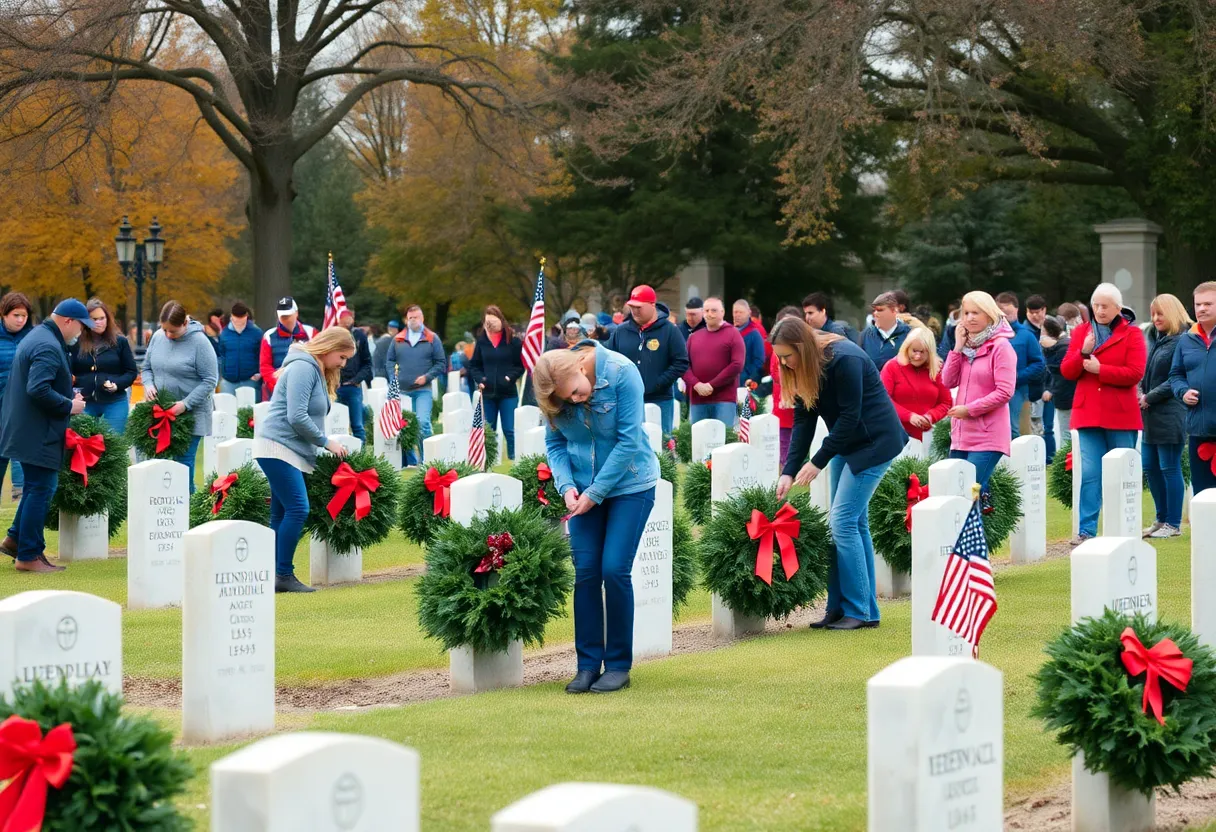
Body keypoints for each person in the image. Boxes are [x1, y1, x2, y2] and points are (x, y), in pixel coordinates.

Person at [533, 339, 658, 694]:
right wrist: (567, 486)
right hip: (583, 492)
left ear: (579, 367)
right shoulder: (556, 394)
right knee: (586, 573)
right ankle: (587, 665)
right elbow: (556, 444)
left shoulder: (621, 373)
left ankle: (618, 665)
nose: (574, 400)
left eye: (575, 391)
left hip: (631, 485)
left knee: (614, 569)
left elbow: (629, 440)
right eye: (566, 399)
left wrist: (595, 493)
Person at [773, 317, 904, 631]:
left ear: (803, 348)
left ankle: (860, 612)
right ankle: (840, 608)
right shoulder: (804, 367)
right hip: (848, 443)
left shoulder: (845, 359)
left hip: (875, 442)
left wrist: (817, 462)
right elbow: (804, 421)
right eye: (779, 357)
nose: (784, 363)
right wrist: (788, 471)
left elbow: (849, 417)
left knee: (843, 521)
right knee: (851, 523)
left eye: (787, 356)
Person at [256, 327, 356, 593]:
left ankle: (274, 574)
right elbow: (296, 416)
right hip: (278, 446)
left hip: (288, 448)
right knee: (298, 509)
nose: (343, 364)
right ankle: (284, 574)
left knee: (280, 513)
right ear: (330, 347)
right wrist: (326, 442)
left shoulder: (315, 369)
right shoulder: (303, 367)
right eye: (342, 357)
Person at [0, 299, 90, 571]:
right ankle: (29, 556)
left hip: (27, 426)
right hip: (38, 430)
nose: (80, 333)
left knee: (34, 486)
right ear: (67, 321)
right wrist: (69, 405)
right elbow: (38, 388)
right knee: (42, 488)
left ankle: (16, 540)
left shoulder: (38, 335)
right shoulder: (48, 345)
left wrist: (65, 395)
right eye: (80, 327)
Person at [1061, 283, 1146, 545]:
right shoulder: (1080, 333)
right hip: (1087, 414)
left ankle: (1123, 526)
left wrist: (1102, 370)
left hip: (1121, 415)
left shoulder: (1132, 335)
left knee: (1122, 473)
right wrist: (1083, 351)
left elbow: (1135, 373)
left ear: (1118, 309)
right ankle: (1086, 530)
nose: (1099, 310)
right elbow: (1067, 371)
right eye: (1095, 305)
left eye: (1105, 306)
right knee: (1090, 473)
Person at [940, 291, 1017, 494]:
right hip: (961, 435)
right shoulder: (965, 347)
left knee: (968, 493)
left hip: (987, 435)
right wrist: (957, 347)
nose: (970, 318)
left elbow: (1005, 391)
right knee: (956, 496)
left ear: (990, 315)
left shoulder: (1001, 347)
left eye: (976, 312)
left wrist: (970, 409)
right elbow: (948, 381)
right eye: (966, 313)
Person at [142, 301, 220, 494]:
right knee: (160, 466)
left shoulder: (200, 342)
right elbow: (146, 368)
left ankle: (187, 513)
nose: (168, 335)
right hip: (160, 412)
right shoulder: (158, 337)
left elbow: (210, 380)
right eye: (164, 329)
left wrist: (185, 404)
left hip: (191, 414)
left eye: (173, 331)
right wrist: (149, 384)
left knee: (183, 465)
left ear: (185, 323)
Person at [606, 285, 689, 439]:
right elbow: (610, 360)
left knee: (662, 443)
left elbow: (681, 362)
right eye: (632, 307)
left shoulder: (669, 330)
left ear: (652, 305)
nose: (635, 311)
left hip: (660, 399)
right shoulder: (621, 331)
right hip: (628, 399)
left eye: (639, 307)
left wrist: (659, 382)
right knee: (630, 441)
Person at [1139, 294, 1189, 538]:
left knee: (1169, 467)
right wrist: (1141, 390)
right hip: (1151, 414)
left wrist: (1149, 396)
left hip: (1171, 413)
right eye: (1153, 314)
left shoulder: (1183, 341)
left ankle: (1173, 524)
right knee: (1149, 465)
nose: (1156, 318)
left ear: (1172, 312)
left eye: (1160, 313)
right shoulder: (1160, 339)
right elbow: (1149, 374)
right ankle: (1161, 519)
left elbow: (1177, 378)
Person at [1170, 282, 1216, 496]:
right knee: (1203, 494)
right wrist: (1182, 391)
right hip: (1199, 429)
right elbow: (1176, 374)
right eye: (1198, 304)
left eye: (1208, 303)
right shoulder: (1186, 340)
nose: (1202, 309)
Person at [385, 305, 445, 464]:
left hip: (422, 390)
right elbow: (390, 361)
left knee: (423, 422)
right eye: (410, 317)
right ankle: (409, 461)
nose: (413, 320)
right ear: (406, 319)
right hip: (402, 390)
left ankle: (427, 461)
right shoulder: (398, 339)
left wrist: (427, 377)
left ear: (422, 318)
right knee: (403, 426)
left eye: (416, 317)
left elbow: (441, 363)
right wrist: (393, 377)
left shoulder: (432, 338)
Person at [71, 298, 137, 435]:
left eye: (102, 318)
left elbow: (131, 372)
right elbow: (68, 372)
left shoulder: (120, 342)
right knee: (83, 447)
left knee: (112, 446)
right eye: (94, 319)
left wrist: (117, 384)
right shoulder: (75, 343)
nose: (98, 322)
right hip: (84, 401)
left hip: (115, 402)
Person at [469, 305, 524, 459]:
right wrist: (481, 379)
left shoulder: (512, 341)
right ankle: (489, 460)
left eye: (493, 322)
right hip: (487, 393)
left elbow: (520, 366)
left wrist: (509, 378)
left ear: (500, 320)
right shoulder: (482, 342)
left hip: (508, 393)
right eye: (487, 323)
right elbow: (474, 365)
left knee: (509, 429)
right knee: (488, 430)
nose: (490, 326)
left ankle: (515, 458)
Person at [880, 327, 951, 443]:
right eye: (914, 351)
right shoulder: (892, 367)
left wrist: (930, 416)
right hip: (896, 434)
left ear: (930, 352)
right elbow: (883, 399)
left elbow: (946, 402)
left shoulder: (937, 369)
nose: (917, 356)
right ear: (907, 348)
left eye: (922, 352)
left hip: (927, 436)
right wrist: (909, 416)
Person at [682, 297, 745, 425]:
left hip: (724, 399)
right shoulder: (694, 337)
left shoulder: (733, 334)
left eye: (714, 310)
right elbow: (683, 365)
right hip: (698, 398)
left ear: (722, 312)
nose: (710, 314)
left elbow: (737, 364)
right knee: (699, 441)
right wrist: (696, 384)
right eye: (707, 310)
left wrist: (712, 385)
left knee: (724, 439)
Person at [994, 292, 1046, 441]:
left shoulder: (1026, 335)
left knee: (1016, 433)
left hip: (1019, 391)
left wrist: (1017, 376)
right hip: (993, 391)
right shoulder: (990, 335)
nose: (1005, 316)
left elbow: (1039, 364)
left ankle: (1018, 464)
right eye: (1001, 313)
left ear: (1017, 310)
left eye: (1008, 313)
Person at [0, 293, 33, 502]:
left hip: (23, 404)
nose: (21, 320)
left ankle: (20, 492)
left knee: (21, 450)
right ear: (4, 314)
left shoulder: (31, 337)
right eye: (16, 315)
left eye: (24, 315)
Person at [259, 297, 316, 399]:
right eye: (283, 317)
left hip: (307, 389)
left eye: (288, 316)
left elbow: (319, 360)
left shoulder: (311, 333)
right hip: (278, 390)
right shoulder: (269, 336)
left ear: (296, 313)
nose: (286, 320)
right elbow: (265, 366)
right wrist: (279, 386)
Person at [333, 308, 373, 443]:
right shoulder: (333, 336)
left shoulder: (360, 336)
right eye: (343, 320)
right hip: (335, 387)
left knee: (357, 426)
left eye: (348, 318)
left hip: (353, 387)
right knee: (335, 426)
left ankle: (361, 459)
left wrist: (356, 380)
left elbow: (367, 363)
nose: (346, 322)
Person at [217, 301, 263, 402]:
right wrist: (221, 375)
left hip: (250, 380)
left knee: (251, 414)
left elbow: (262, 355)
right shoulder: (224, 334)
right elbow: (220, 355)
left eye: (241, 318)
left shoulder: (257, 333)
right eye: (236, 318)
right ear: (231, 316)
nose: (238, 321)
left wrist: (259, 373)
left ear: (246, 316)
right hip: (228, 381)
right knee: (227, 413)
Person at [1040, 316, 1074, 448]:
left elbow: (1055, 370)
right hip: (1064, 394)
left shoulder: (1061, 347)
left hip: (1066, 395)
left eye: (1043, 330)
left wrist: (1048, 350)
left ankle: (1066, 466)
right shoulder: (1064, 344)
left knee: (1066, 435)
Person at [859, 292, 910, 369]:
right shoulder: (865, 335)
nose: (875, 314)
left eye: (880, 310)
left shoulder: (909, 335)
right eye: (874, 310)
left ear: (893, 310)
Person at [733, 299, 766, 387]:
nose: (737, 315)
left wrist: (746, 375)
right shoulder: (729, 332)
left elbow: (759, 360)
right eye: (735, 312)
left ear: (749, 313)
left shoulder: (754, 334)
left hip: (746, 383)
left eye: (741, 312)